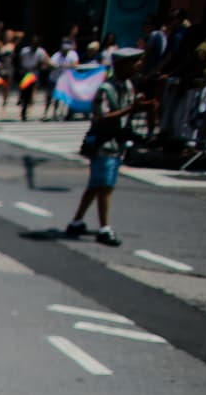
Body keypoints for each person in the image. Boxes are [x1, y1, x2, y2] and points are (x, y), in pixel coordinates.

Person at [64, 49, 150, 247]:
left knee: (96, 184)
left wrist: (142, 107)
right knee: (105, 186)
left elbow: (128, 111)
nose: (138, 66)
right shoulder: (106, 89)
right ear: (122, 65)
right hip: (104, 143)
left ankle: (76, 221)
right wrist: (131, 109)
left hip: (117, 142)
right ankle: (104, 228)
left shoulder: (128, 86)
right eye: (135, 62)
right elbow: (100, 117)